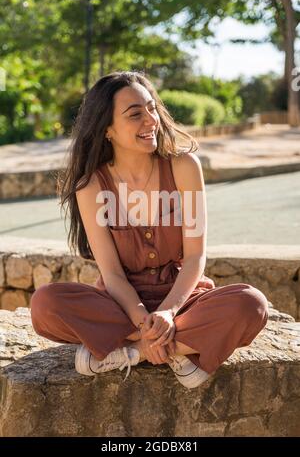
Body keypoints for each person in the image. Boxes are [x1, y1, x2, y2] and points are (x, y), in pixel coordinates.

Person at [30, 70, 269, 389]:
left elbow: (196, 256)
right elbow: (112, 275)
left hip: (183, 299)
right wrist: (144, 321)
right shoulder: (91, 187)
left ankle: (130, 352)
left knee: (251, 304)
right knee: (45, 304)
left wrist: (168, 313)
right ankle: (179, 350)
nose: (150, 120)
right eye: (135, 114)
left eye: (152, 108)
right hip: (120, 303)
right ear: (107, 130)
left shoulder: (184, 167)